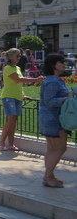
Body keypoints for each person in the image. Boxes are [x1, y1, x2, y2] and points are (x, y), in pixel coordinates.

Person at [0, 48, 44, 152]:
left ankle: (10, 144)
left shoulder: (17, 68)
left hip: (17, 97)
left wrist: (23, 95)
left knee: (13, 122)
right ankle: (1, 143)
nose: (19, 58)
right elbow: (18, 80)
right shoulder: (8, 68)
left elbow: (18, 84)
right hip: (9, 96)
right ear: (10, 57)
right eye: (17, 56)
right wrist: (35, 79)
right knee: (10, 121)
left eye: (20, 56)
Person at [38, 54, 70, 188]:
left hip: (50, 118)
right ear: (53, 65)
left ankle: (49, 176)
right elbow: (49, 101)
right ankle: (47, 176)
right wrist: (65, 99)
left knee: (52, 149)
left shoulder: (54, 80)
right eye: (60, 62)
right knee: (59, 148)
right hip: (53, 119)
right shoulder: (52, 81)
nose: (63, 64)